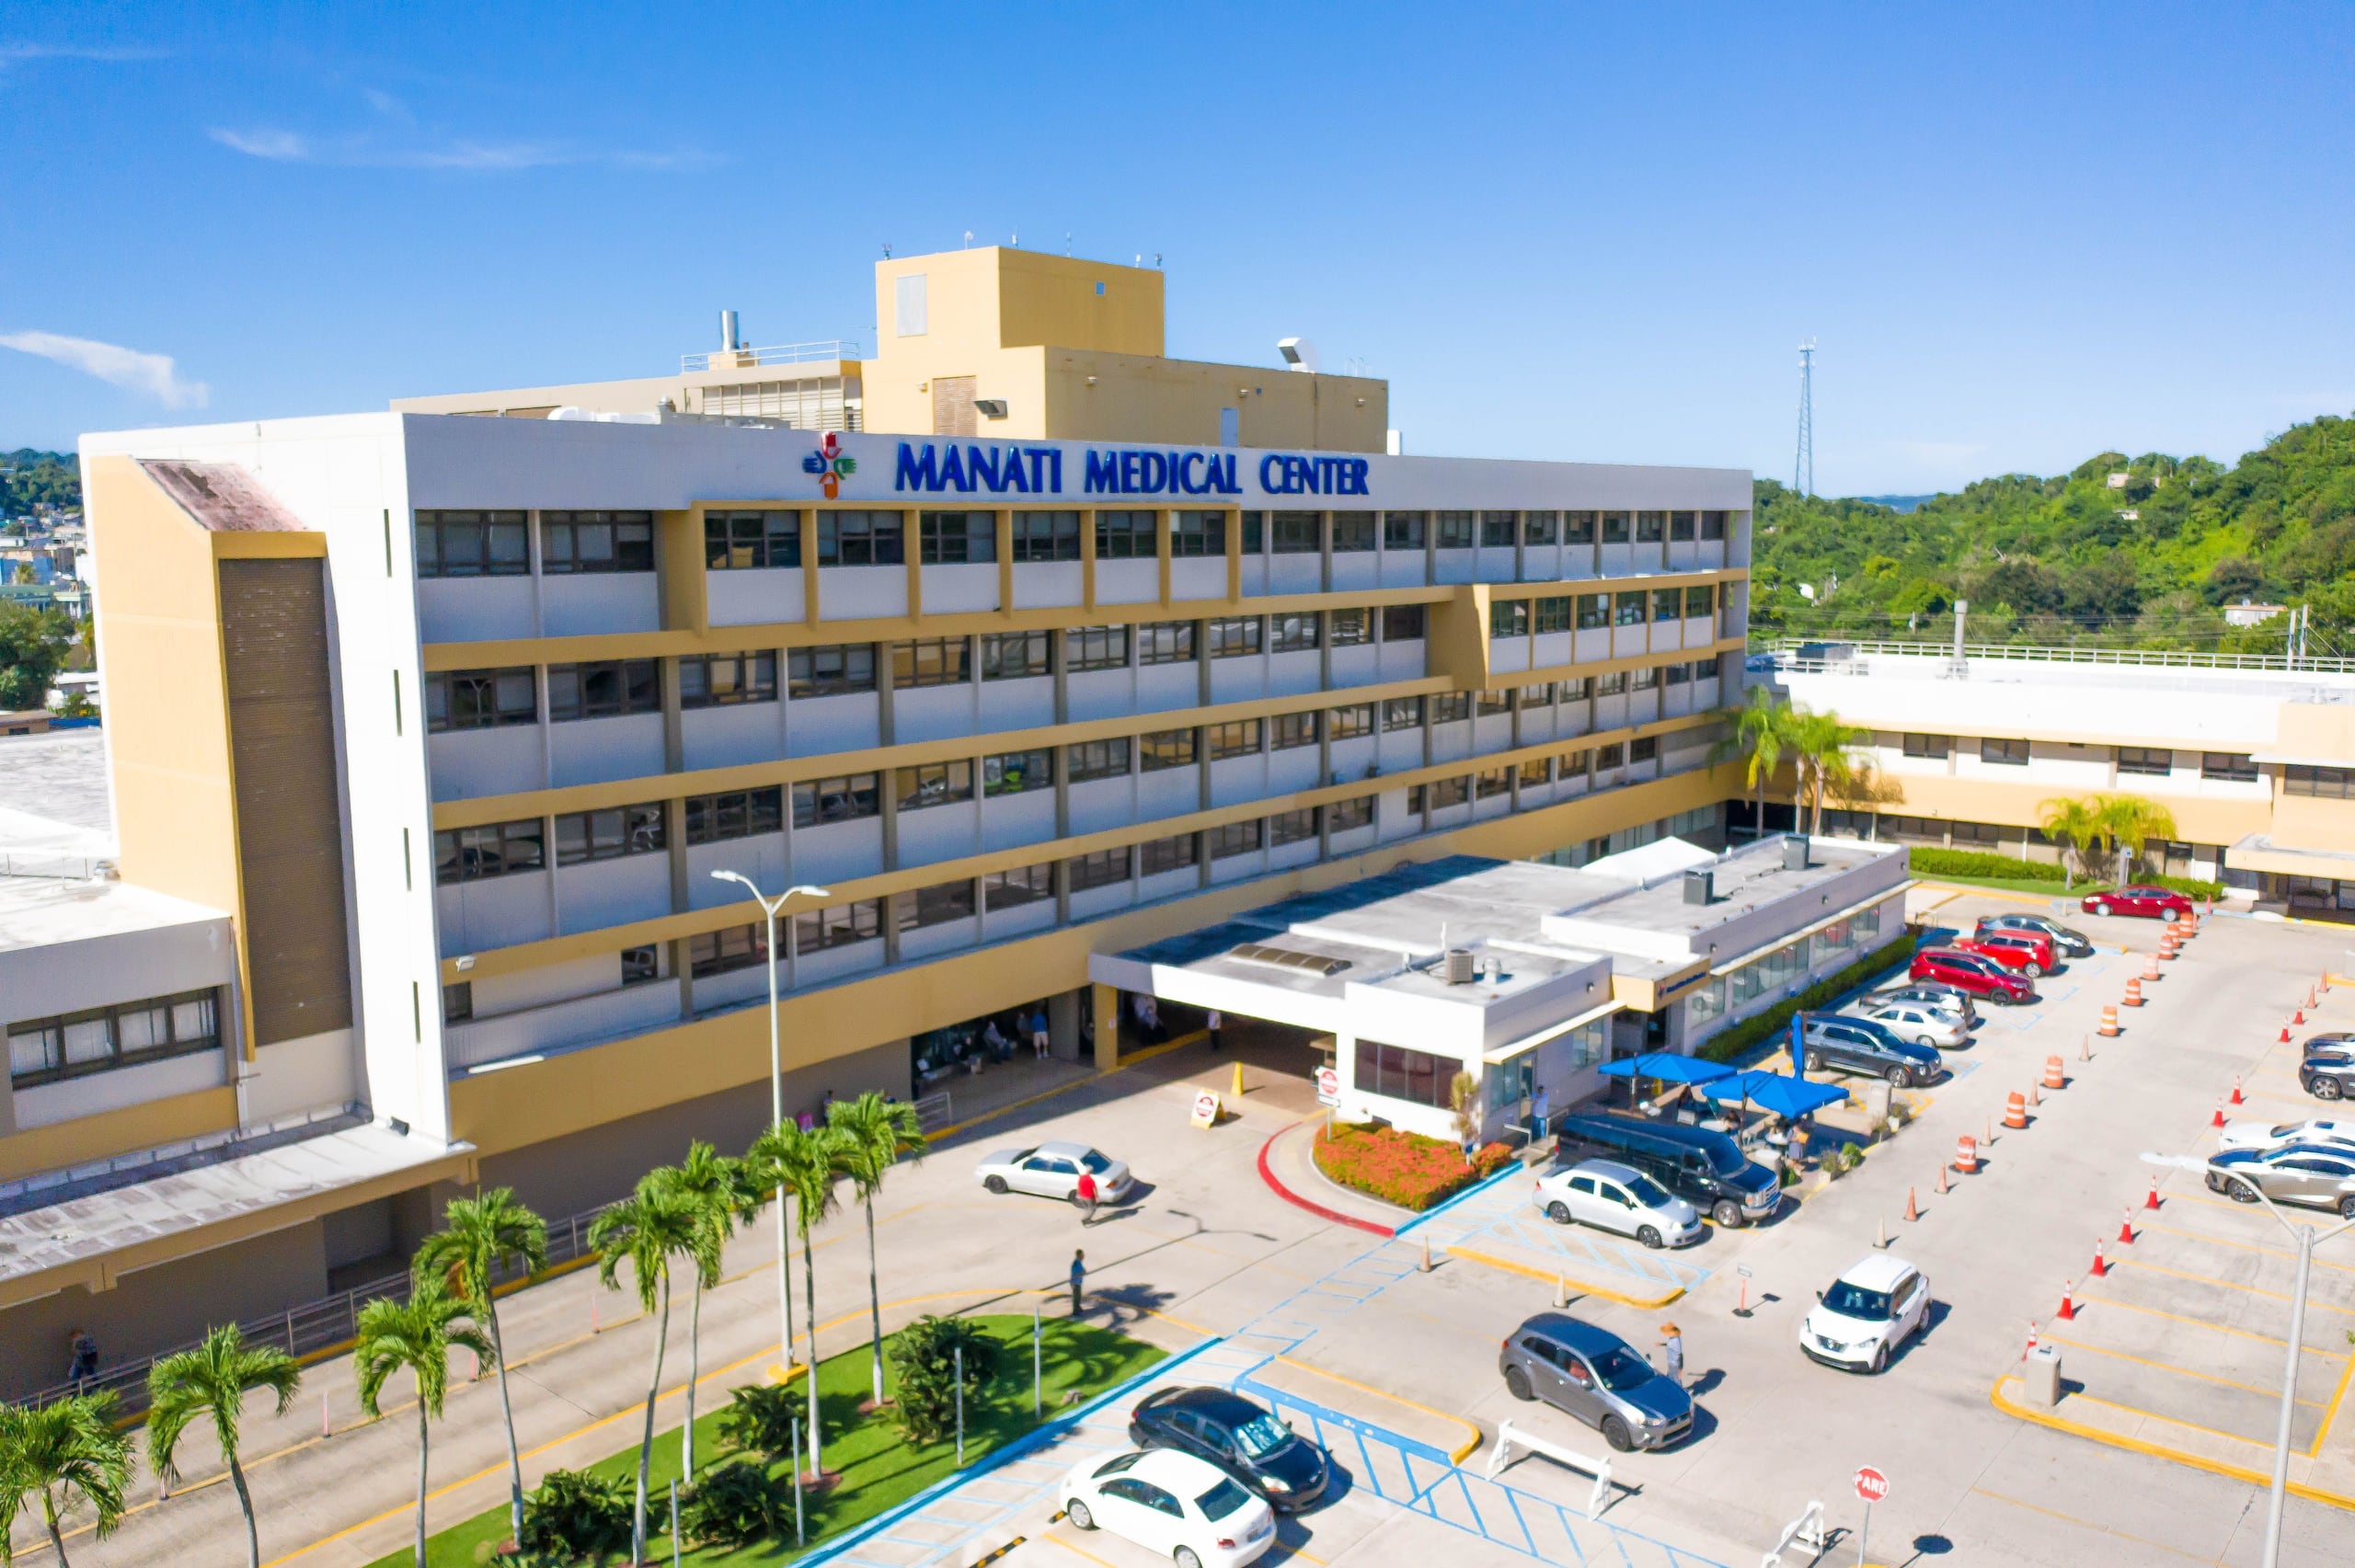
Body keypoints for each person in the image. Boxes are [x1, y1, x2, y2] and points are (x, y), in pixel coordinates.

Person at [1660, 1322, 1685, 1388]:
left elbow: (1680, 1355)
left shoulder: (1676, 1341)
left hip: (1675, 1364)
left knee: (1676, 1380)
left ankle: (1681, 1393)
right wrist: (1661, 1344)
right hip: (1671, 1362)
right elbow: (1669, 1344)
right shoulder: (1672, 1338)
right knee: (1669, 1377)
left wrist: (1680, 1369)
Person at [1069, 1248, 1086, 1317]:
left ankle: (1078, 1307)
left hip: (1078, 1282)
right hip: (1075, 1283)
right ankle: (1075, 1310)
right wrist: (1083, 1272)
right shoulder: (1076, 1263)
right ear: (1078, 1255)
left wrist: (1083, 1272)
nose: (1083, 1256)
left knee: (1079, 1296)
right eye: (1082, 1255)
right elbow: (1076, 1274)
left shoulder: (1079, 1262)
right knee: (1076, 1297)